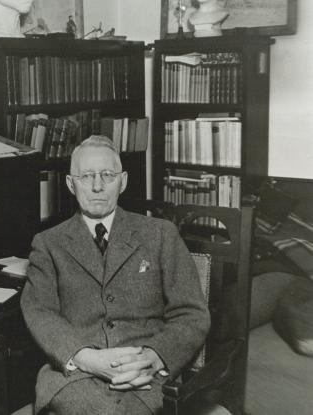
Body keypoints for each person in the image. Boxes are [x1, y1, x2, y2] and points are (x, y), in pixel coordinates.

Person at [20, 135, 210, 415]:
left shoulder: (160, 234)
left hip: (145, 376)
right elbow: (40, 313)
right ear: (71, 184)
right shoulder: (48, 243)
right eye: (86, 176)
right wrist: (86, 358)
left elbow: (192, 313)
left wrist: (154, 357)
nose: (97, 186)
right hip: (76, 375)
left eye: (107, 175)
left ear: (123, 181)